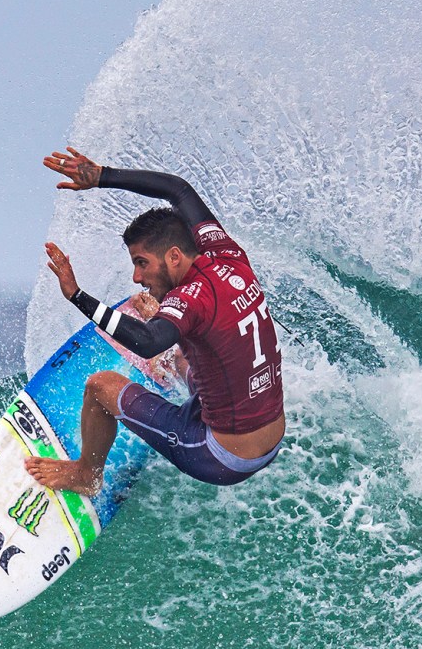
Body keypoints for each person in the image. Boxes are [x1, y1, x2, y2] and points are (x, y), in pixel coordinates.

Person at [24, 147, 284, 496]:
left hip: (221, 456)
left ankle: (86, 475)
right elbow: (178, 189)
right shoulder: (227, 254)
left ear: (174, 256)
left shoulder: (190, 299)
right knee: (182, 356)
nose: (136, 276)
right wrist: (101, 176)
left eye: (142, 263)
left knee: (100, 386)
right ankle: (169, 357)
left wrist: (77, 295)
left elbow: (147, 342)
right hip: (269, 437)